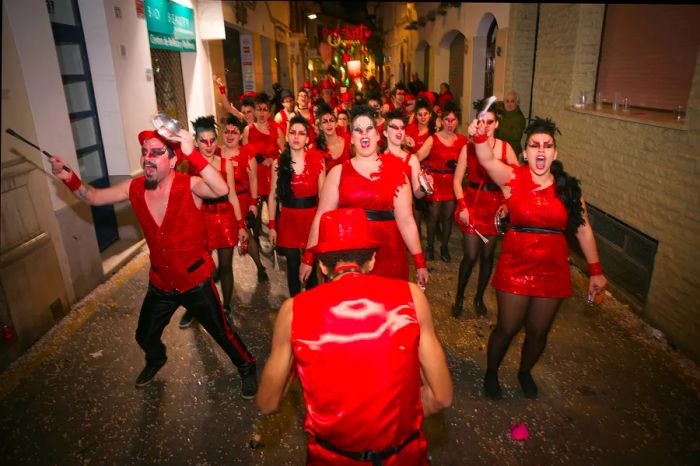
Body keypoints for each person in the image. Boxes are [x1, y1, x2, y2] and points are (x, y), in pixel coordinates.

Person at [48, 128, 258, 397]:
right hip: (161, 283)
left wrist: (192, 152)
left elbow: (221, 188)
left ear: (172, 160)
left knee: (222, 334)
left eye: (157, 152)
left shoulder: (189, 185)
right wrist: (70, 178)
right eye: (145, 152)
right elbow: (94, 197)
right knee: (144, 335)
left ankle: (247, 366)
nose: (148, 157)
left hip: (195, 281)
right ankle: (156, 358)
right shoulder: (134, 188)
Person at [256, 207, 453, 465]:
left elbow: (268, 402)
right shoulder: (412, 296)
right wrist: (394, 423)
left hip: (332, 458)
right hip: (402, 455)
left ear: (323, 267)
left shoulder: (293, 312)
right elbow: (441, 395)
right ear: (372, 260)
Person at [467, 116, 607, 400]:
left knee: (538, 332)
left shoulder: (568, 189)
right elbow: (486, 159)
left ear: (555, 152)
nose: (541, 151)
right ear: (525, 152)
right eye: (534, 145)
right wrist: (479, 135)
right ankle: (491, 371)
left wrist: (596, 270)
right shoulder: (512, 178)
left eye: (547, 146)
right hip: (515, 266)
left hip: (552, 269)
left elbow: (583, 230)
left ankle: (524, 371)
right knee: (507, 327)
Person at [300, 105, 429, 289]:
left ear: (377, 135)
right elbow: (321, 218)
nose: (364, 134)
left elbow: (407, 221)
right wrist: (308, 257)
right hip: (351, 260)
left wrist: (420, 262)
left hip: (391, 255)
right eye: (358, 131)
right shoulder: (338, 173)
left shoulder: (397, 173)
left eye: (369, 129)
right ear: (351, 138)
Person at [178, 116, 248, 329]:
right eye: (203, 141)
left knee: (226, 267)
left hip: (224, 216)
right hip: (201, 219)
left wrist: (241, 225)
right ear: (196, 142)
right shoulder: (187, 165)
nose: (208, 145)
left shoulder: (225, 163)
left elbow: (233, 195)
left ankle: (226, 306)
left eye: (211, 140)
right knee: (200, 269)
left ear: (216, 141)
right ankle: (196, 307)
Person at [452, 105, 518, 318]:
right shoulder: (468, 147)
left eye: (491, 122)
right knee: (471, 255)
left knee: (488, 256)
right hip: (472, 204)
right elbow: (456, 181)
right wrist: (462, 207)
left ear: (497, 124)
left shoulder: (505, 149)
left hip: (495, 207)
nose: (486, 126)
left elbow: (518, 182)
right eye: (483, 121)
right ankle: (459, 297)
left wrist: (508, 205)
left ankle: (479, 297)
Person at [268, 116, 325, 297]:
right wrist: (271, 226)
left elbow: (324, 197)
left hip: (312, 218)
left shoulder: (318, 160)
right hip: (289, 219)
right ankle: (296, 306)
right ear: (287, 136)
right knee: (292, 266)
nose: (296, 137)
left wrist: (324, 223)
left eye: (301, 133)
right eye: (292, 132)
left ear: (308, 139)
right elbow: (273, 196)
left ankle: (313, 305)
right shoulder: (278, 163)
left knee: (311, 266)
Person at [416, 100, 468, 262]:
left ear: (458, 121)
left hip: (452, 182)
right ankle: (430, 247)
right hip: (436, 182)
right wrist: (421, 174)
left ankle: (444, 247)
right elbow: (417, 157)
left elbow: (470, 161)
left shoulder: (462, 140)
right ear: (442, 120)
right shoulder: (433, 139)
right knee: (433, 216)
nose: (450, 124)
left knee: (447, 218)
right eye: (447, 120)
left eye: (453, 120)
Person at [220, 114, 268, 283]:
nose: (230, 135)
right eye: (227, 131)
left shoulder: (247, 153)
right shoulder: (217, 153)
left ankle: (260, 266)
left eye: (234, 132)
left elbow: (254, 179)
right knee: (222, 238)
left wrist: (254, 204)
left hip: (242, 201)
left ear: (240, 135)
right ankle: (222, 268)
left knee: (246, 235)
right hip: (221, 204)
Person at [242, 93, 285, 241]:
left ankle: (278, 248)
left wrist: (272, 159)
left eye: (265, 109)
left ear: (270, 112)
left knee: (276, 218)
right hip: (256, 178)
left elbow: (285, 155)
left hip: (273, 176)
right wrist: (260, 159)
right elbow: (244, 154)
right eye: (259, 109)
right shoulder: (248, 130)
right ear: (254, 111)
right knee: (256, 221)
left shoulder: (277, 129)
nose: (261, 113)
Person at [383, 109, 429, 201]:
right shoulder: (377, 158)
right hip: (381, 212)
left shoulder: (412, 159)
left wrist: (425, 186)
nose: (400, 131)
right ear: (385, 133)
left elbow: (417, 194)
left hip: (405, 212)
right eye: (395, 128)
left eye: (402, 128)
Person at [312, 103, 351, 173]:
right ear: (320, 127)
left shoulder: (348, 142)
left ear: (336, 124)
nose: (329, 124)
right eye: (325, 122)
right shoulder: (317, 148)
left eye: (331, 120)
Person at [495, 90, 527, 158]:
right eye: (507, 101)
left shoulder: (520, 118)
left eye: (512, 101)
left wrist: (499, 128)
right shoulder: (501, 115)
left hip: (512, 152)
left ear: (517, 103)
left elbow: (515, 136)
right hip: (499, 149)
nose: (509, 104)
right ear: (504, 103)